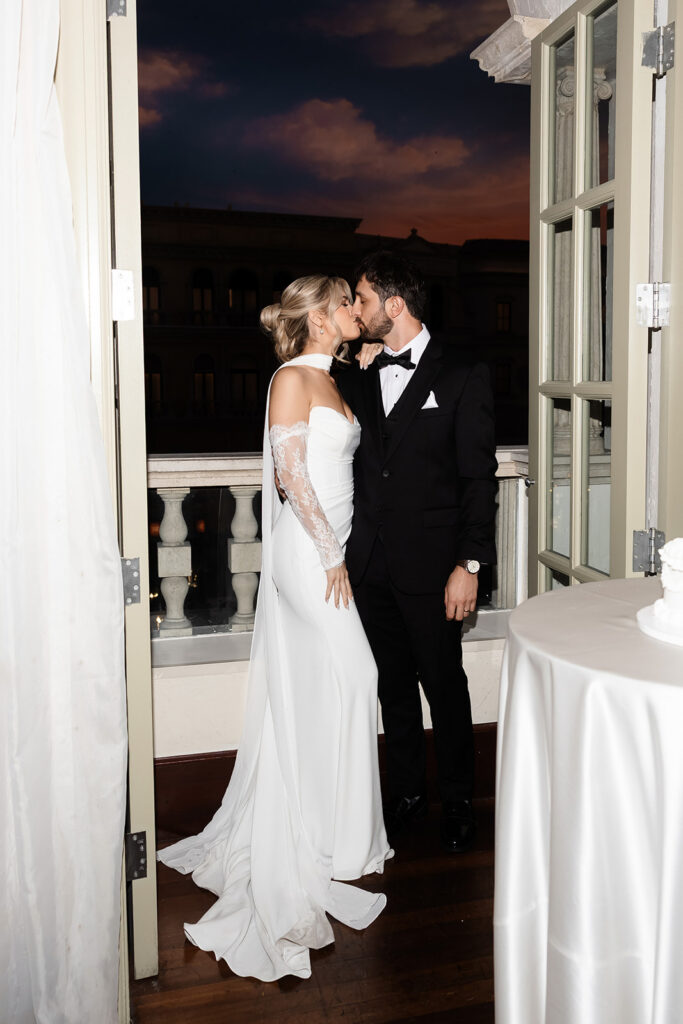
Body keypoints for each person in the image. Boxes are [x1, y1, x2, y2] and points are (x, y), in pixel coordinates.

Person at [158, 275, 392, 982]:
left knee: (331, 688)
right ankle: (335, 842)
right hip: (309, 559)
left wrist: (366, 363)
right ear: (321, 317)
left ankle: (328, 836)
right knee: (360, 677)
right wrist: (331, 558)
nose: (358, 309)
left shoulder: (328, 374)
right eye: (347, 303)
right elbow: (291, 474)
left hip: (328, 554)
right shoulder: (291, 378)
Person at [338, 251, 498, 853]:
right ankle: (405, 793)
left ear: (394, 306)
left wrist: (470, 564)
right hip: (371, 563)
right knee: (393, 687)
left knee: (444, 684)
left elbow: (477, 480)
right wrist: (354, 353)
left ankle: (458, 799)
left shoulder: (462, 374)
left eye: (362, 299)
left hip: (436, 569)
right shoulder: (360, 372)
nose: (355, 309)